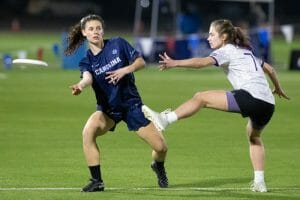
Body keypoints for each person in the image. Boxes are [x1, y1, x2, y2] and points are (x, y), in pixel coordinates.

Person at [142, 19, 289, 193]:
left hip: (250, 97)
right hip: (268, 105)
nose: (208, 38)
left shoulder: (226, 51)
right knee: (254, 138)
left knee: (201, 97)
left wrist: (175, 63)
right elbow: (270, 69)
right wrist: (278, 88)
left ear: (224, 37)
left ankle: (165, 120)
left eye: (212, 34)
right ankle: (259, 182)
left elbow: (201, 63)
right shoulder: (246, 52)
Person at [65, 14, 168, 192]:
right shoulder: (87, 61)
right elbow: (87, 78)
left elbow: (141, 62)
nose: (95, 32)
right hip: (108, 110)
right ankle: (97, 181)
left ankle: (158, 166)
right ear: (84, 33)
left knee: (161, 147)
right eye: (91, 29)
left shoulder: (118, 43)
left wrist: (124, 70)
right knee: (88, 131)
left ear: (103, 30)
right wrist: (80, 86)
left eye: (98, 28)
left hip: (131, 106)